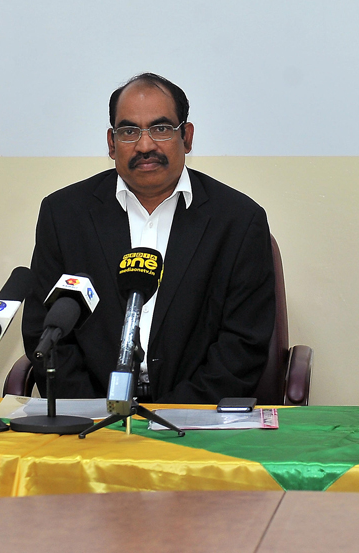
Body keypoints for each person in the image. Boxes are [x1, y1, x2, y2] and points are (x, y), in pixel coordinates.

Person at [22, 73, 276, 403]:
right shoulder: (65, 215)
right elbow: (45, 330)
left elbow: (243, 345)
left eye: (161, 129)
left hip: (196, 420)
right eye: (129, 131)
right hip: (90, 420)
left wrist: (172, 416)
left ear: (186, 136)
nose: (145, 146)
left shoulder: (238, 221)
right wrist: (94, 410)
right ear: (112, 143)